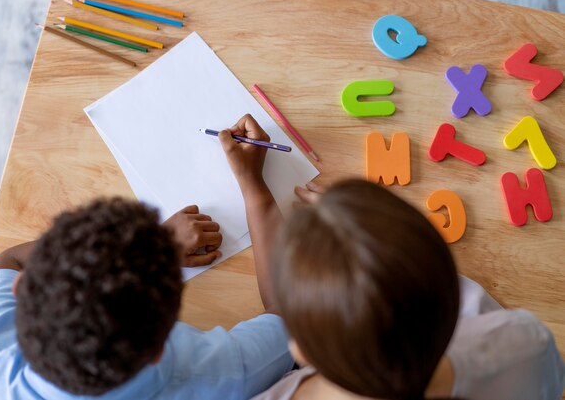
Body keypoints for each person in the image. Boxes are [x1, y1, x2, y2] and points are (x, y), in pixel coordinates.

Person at [216, 116, 565, 399]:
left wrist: (255, 193)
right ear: (451, 293)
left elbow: (279, 315)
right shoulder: (523, 345)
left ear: (298, 350)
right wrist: (363, 229)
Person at [0, 196, 294, 396]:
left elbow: (8, 261)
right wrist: (256, 194)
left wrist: (148, 251)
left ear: (20, 287)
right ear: (157, 352)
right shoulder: (221, 373)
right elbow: (293, 318)